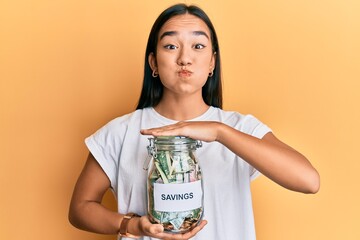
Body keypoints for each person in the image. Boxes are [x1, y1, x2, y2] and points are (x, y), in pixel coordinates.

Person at [69, 3, 320, 240]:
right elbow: (80, 208)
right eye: (170, 46)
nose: (185, 58)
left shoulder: (239, 128)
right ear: (153, 62)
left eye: (198, 46)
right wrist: (131, 225)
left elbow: (308, 180)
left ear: (212, 62)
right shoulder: (121, 132)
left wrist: (219, 132)